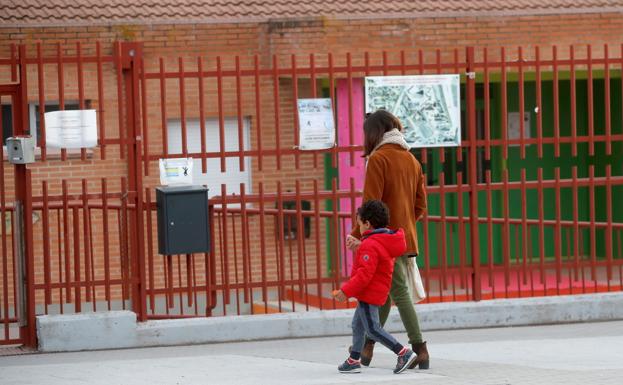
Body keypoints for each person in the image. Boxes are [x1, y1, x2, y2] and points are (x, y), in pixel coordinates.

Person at [346, 109, 429, 369]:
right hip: (403, 239)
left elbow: (370, 204)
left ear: (374, 132)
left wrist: (357, 234)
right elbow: (420, 205)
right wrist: (403, 228)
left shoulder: (379, 158)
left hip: (381, 240)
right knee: (380, 292)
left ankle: (418, 348)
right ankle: (367, 347)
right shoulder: (411, 160)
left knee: (396, 293)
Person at [333, 200, 417, 374]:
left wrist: (345, 291)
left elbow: (364, 276)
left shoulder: (370, 245)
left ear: (367, 223)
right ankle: (354, 359)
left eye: (360, 224)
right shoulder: (381, 240)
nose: (359, 229)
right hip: (374, 291)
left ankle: (403, 353)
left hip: (369, 293)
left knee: (373, 329)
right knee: (357, 325)